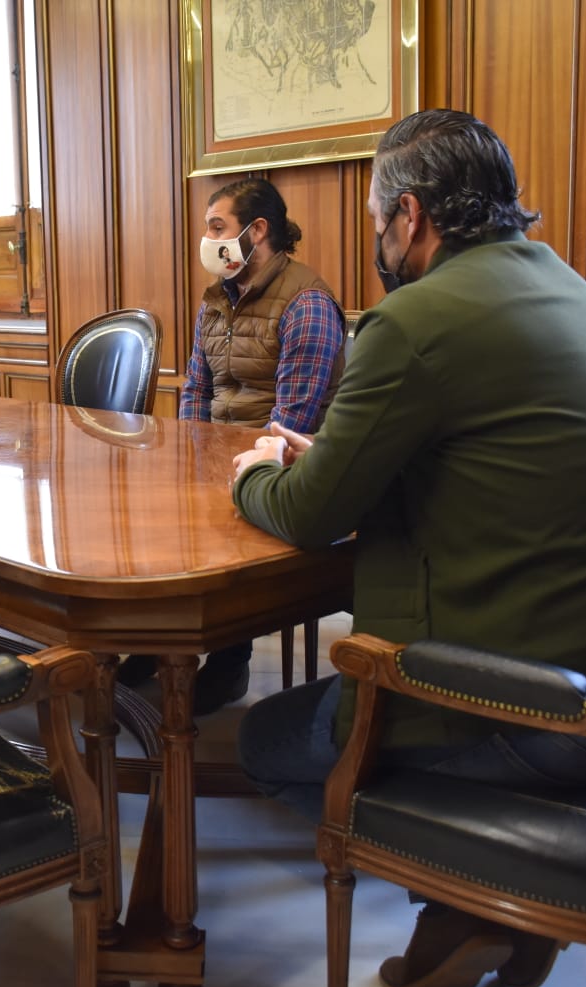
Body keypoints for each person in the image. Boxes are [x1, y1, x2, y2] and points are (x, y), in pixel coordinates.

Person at [230, 110, 586, 987]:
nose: (379, 240)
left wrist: (256, 473)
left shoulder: (413, 321)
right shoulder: (568, 286)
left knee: (261, 741)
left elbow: (305, 512)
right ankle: (494, 891)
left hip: (552, 714)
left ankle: (470, 893)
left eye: (378, 222)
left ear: (411, 217)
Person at [123, 177, 347, 715]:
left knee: (219, 516)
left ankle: (229, 659)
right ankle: (158, 642)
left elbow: (292, 423)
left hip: (277, 466)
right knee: (154, 511)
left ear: (257, 231)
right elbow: (197, 389)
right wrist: (185, 459)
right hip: (214, 454)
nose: (207, 238)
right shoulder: (215, 299)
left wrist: (231, 472)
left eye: (217, 227)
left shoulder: (307, 302)